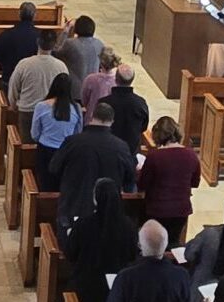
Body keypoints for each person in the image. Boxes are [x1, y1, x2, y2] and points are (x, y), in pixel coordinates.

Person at [44, 101, 138, 232]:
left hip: (73, 208)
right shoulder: (121, 147)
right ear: (112, 121)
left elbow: (54, 168)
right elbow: (130, 179)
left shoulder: (73, 141)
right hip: (106, 215)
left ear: (92, 117)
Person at [61, 177, 139, 302]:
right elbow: (132, 255)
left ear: (95, 199)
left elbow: (70, 254)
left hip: (85, 289)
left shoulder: (83, 224)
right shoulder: (129, 226)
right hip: (116, 290)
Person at [137, 115, 198, 243]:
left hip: (157, 209)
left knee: (154, 245)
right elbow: (195, 182)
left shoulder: (155, 156)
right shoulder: (191, 154)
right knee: (173, 243)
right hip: (181, 210)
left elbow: (142, 184)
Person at [31, 73, 85, 173]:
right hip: (66, 151)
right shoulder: (76, 108)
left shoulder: (41, 106)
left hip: (45, 150)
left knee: (45, 184)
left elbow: (35, 134)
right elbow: (78, 132)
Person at [6, 28, 66, 112]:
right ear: (54, 45)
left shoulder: (24, 64)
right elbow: (65, 91)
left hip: (28, 110)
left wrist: (13, 105)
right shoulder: (61, 66)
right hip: (50, 111)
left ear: (37, 42)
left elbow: (13, 88)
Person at [0, 2, 41, 90]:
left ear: (19, 14)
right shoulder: (40, 37)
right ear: (35, 15)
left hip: (9, 80)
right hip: (32, 83)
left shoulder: (7, 34)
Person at [104, 63, 150, 156]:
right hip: (130, 153)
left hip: (108, 152)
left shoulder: (105, 103)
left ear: (116, 79)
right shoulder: (140, 103)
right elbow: (143, 127)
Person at [54, 15, 102, 95]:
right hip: (93, 89)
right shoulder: (99, 44)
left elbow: (56, 52)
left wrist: (65, 31)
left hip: (75, 91)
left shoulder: (71, 43)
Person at [80, 46, 120, 116]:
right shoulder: (118, 81)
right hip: (111, 119)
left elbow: (84, 100)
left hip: (92, 117)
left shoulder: (90, 79)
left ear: (100, 61)